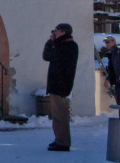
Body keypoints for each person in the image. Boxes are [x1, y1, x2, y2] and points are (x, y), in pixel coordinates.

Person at [43, 22, 79, 152]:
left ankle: (62, 142)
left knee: (59, 116)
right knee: (59, 114)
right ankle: (60, 139)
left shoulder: (65, 46)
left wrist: (50, 42)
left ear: (63, 32)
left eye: (56, 30)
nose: (54, 33)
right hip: (61, 84)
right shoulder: (69, 45)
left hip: (59, 84)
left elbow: (47, 56)